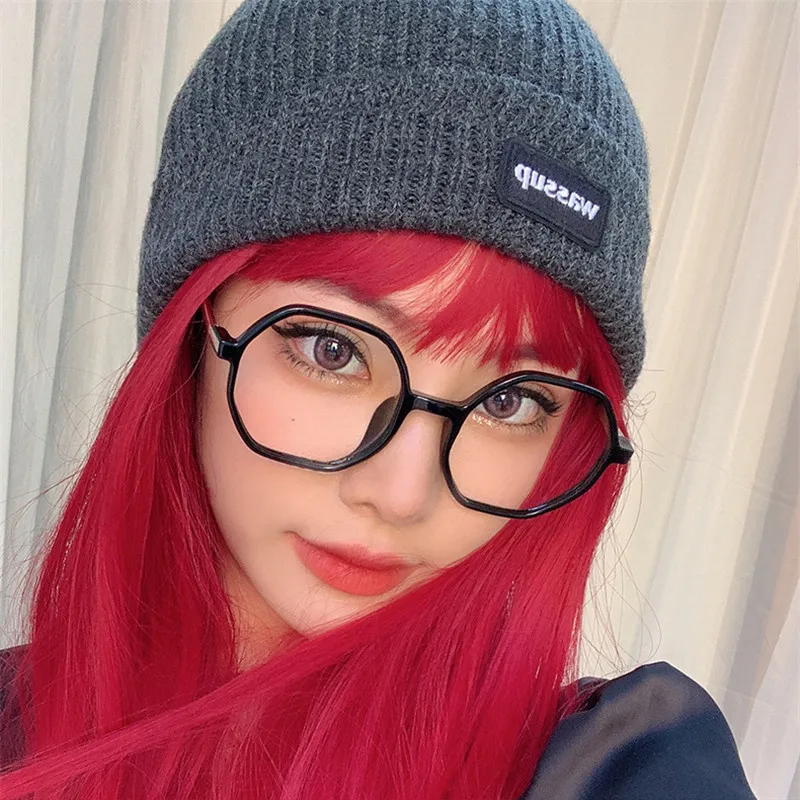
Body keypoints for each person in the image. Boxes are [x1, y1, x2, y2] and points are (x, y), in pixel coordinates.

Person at [0, 0, 758, 798]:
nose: (402, 494)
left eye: (510, 403)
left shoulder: (613, 769)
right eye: (333, 350)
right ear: (193, 330)